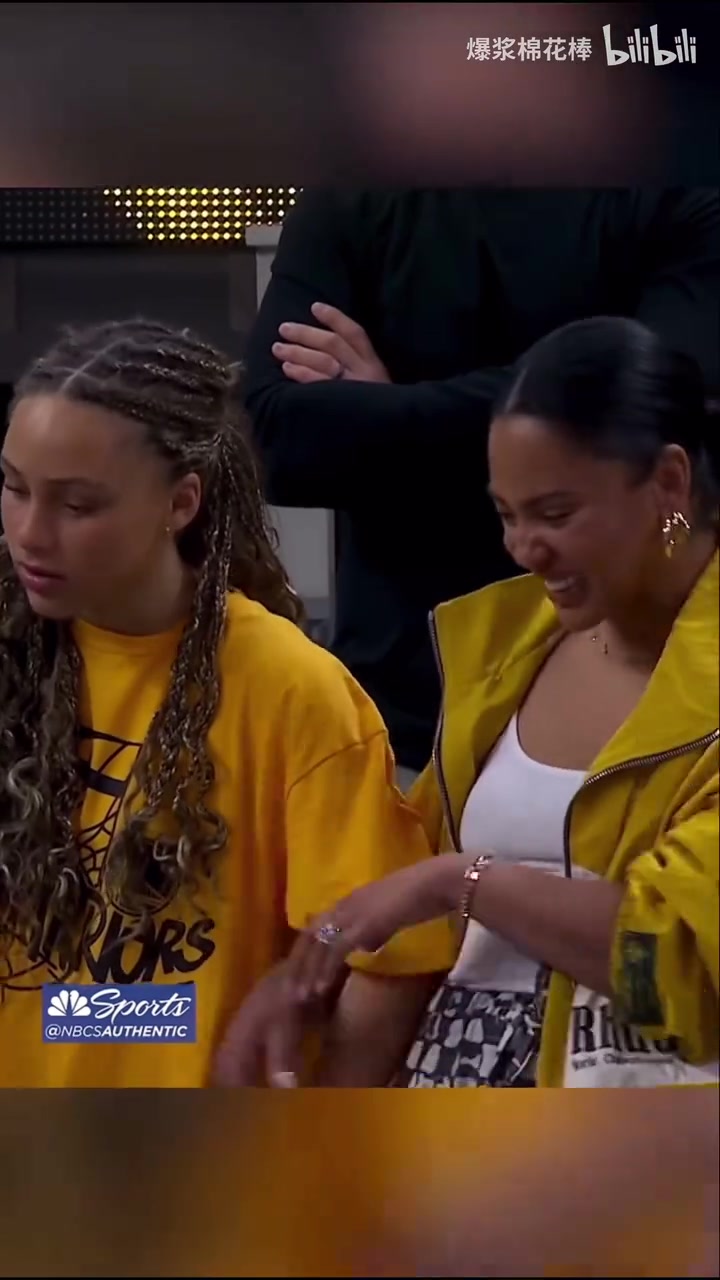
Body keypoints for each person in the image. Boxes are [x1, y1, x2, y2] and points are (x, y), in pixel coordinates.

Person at [220, 315, 719, 1089]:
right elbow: (402, 900)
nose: (523, 547)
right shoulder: (502, 647)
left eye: (555, 513)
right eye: (507, 515)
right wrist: (304, 975)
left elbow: (679, 962)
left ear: (670, 483)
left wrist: (463, 882)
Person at [0, 317, 455, 1089]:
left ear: (181, 503)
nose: (30, 534)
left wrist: (313, 1141)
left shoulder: (290, 689)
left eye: (77, 506)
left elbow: (391, 962)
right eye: (14, 488)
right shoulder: (17, 649)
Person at [243, 187, 720, 784]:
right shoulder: (355, 199)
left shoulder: (680, 188)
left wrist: (386, 413)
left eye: (553, 508)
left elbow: (674, 401)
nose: (524, 543)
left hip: (664, 698)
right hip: (404, 713)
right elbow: (271, 441)